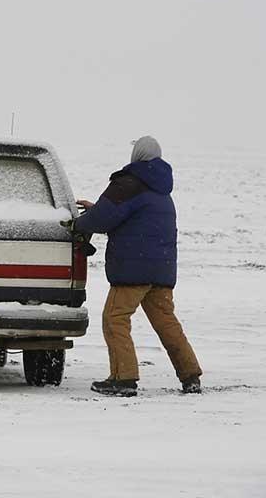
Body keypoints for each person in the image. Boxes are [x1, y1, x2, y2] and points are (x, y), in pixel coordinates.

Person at [73, 136, 202, 397]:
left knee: (115, 319)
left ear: (137, 154)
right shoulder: (161, 190)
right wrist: (98, 210)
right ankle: (190, 375)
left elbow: (102, 219)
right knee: (166, 322)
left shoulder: (127, 184)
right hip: (161, 271)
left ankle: (124, 379)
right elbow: (131, 216)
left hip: (134, 269)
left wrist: (79, 223)